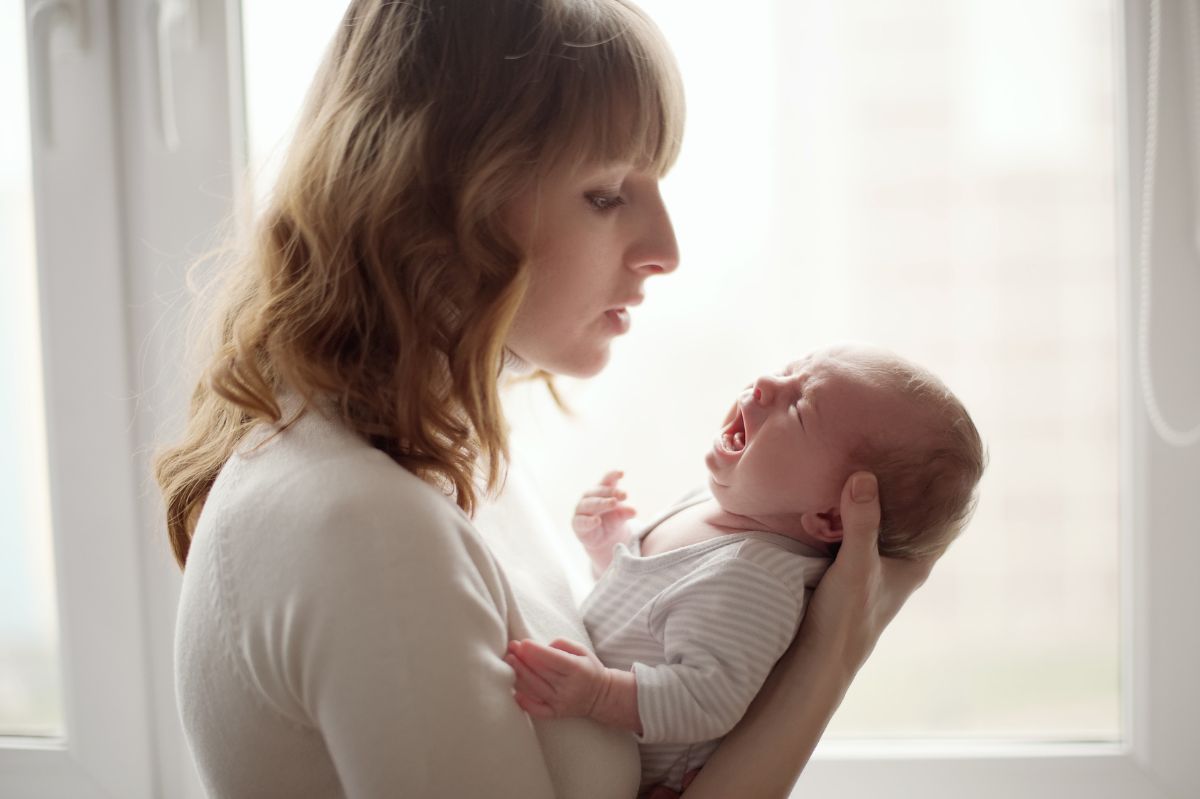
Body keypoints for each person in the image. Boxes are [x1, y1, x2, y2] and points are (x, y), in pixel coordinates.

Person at [154, 1, 938, 797]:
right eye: (605, 194)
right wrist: (830, 660)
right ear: (440, 199)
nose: (666, 249)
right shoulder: (364, 526)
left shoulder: (451, 458)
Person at [503, 345, 986, 796]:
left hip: (629, 776)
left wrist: (598, 694)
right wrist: (611, 545)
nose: (763, 384)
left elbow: (704, 699)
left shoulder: (754, 578)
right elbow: (654, 610)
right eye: (787, 370)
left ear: (832, 517)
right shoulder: (711, 508)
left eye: (799, 408)